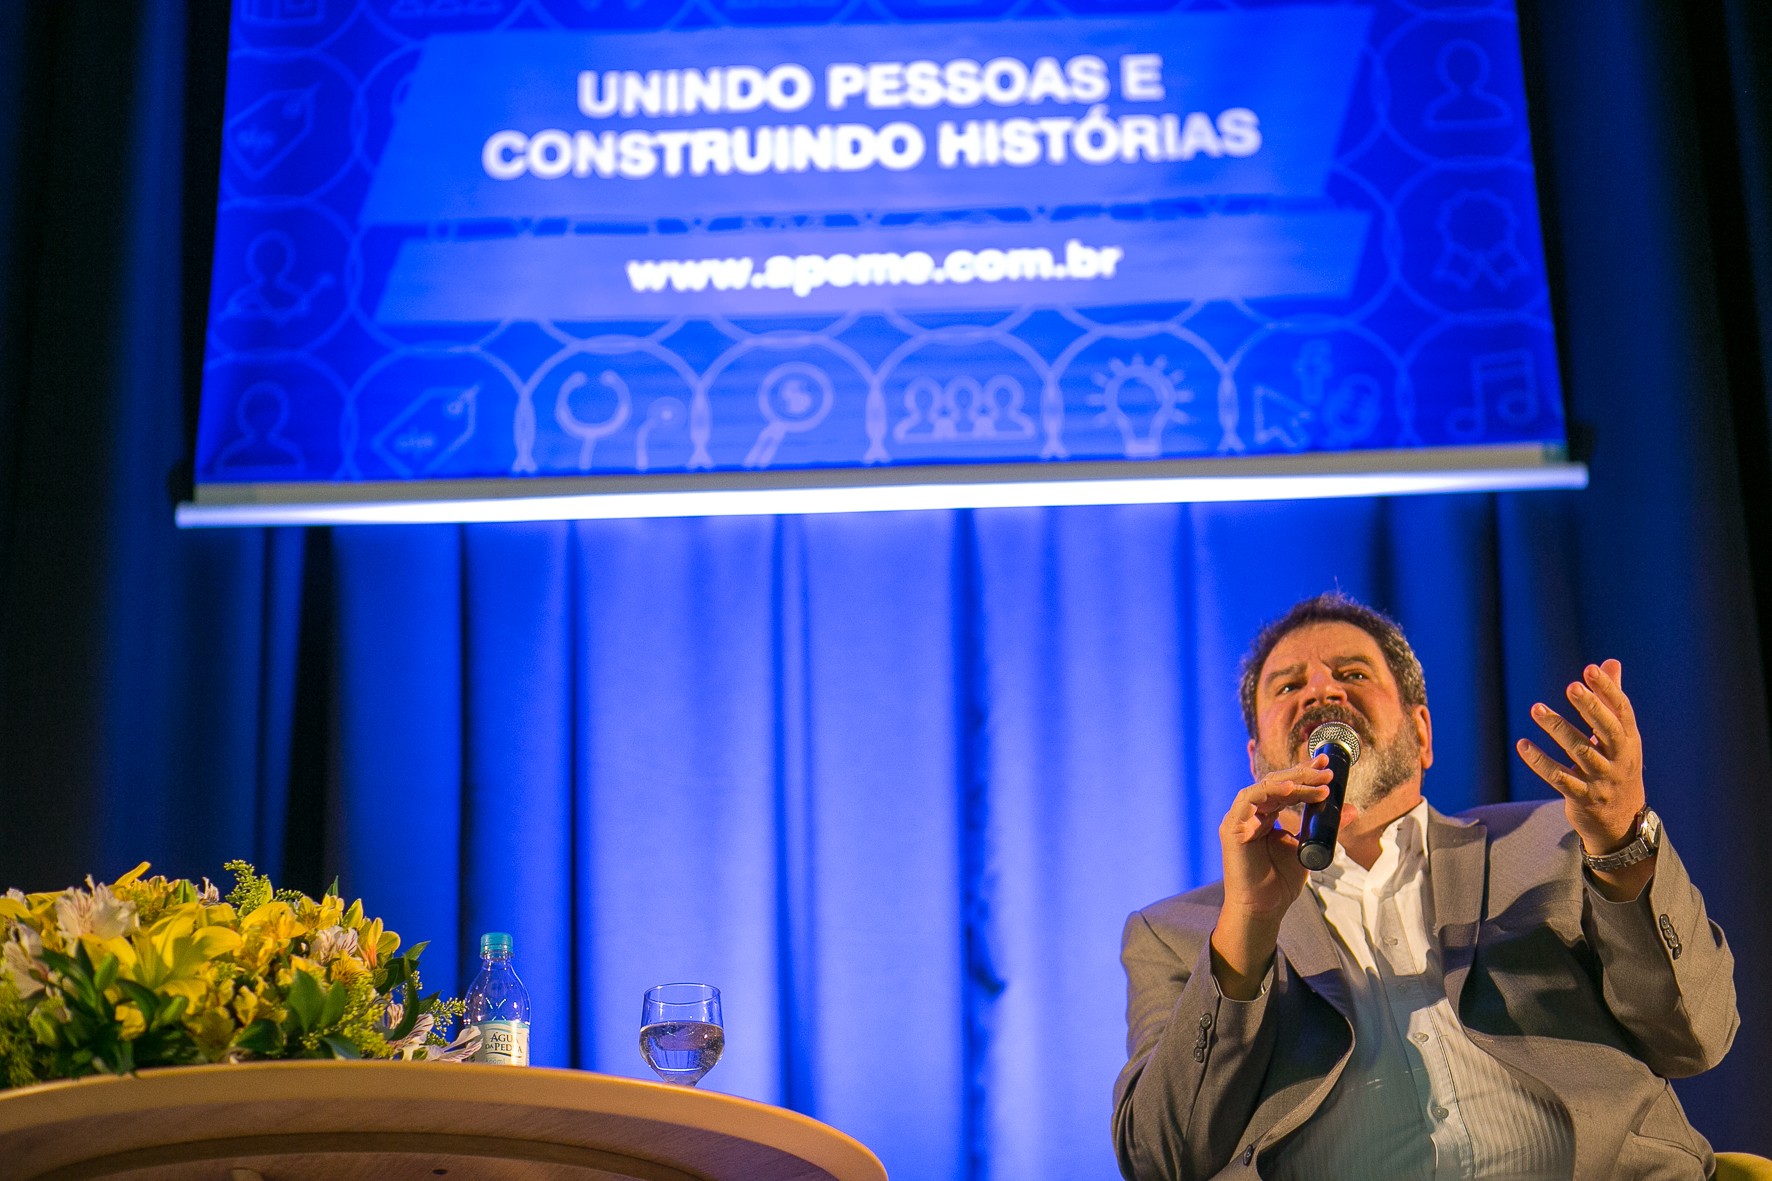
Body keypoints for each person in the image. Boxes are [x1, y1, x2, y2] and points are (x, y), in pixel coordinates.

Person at [1113, 593, 1737, 1181]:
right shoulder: (1177, 933)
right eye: (1289, 686)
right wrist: (1247, 927)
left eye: (1353, 674)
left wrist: (1624, 843)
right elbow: (1162, 1159)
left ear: (1422, 734)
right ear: (1256, 760)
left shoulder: (1563, 840)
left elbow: (1695, 1036)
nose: (1322, 690)